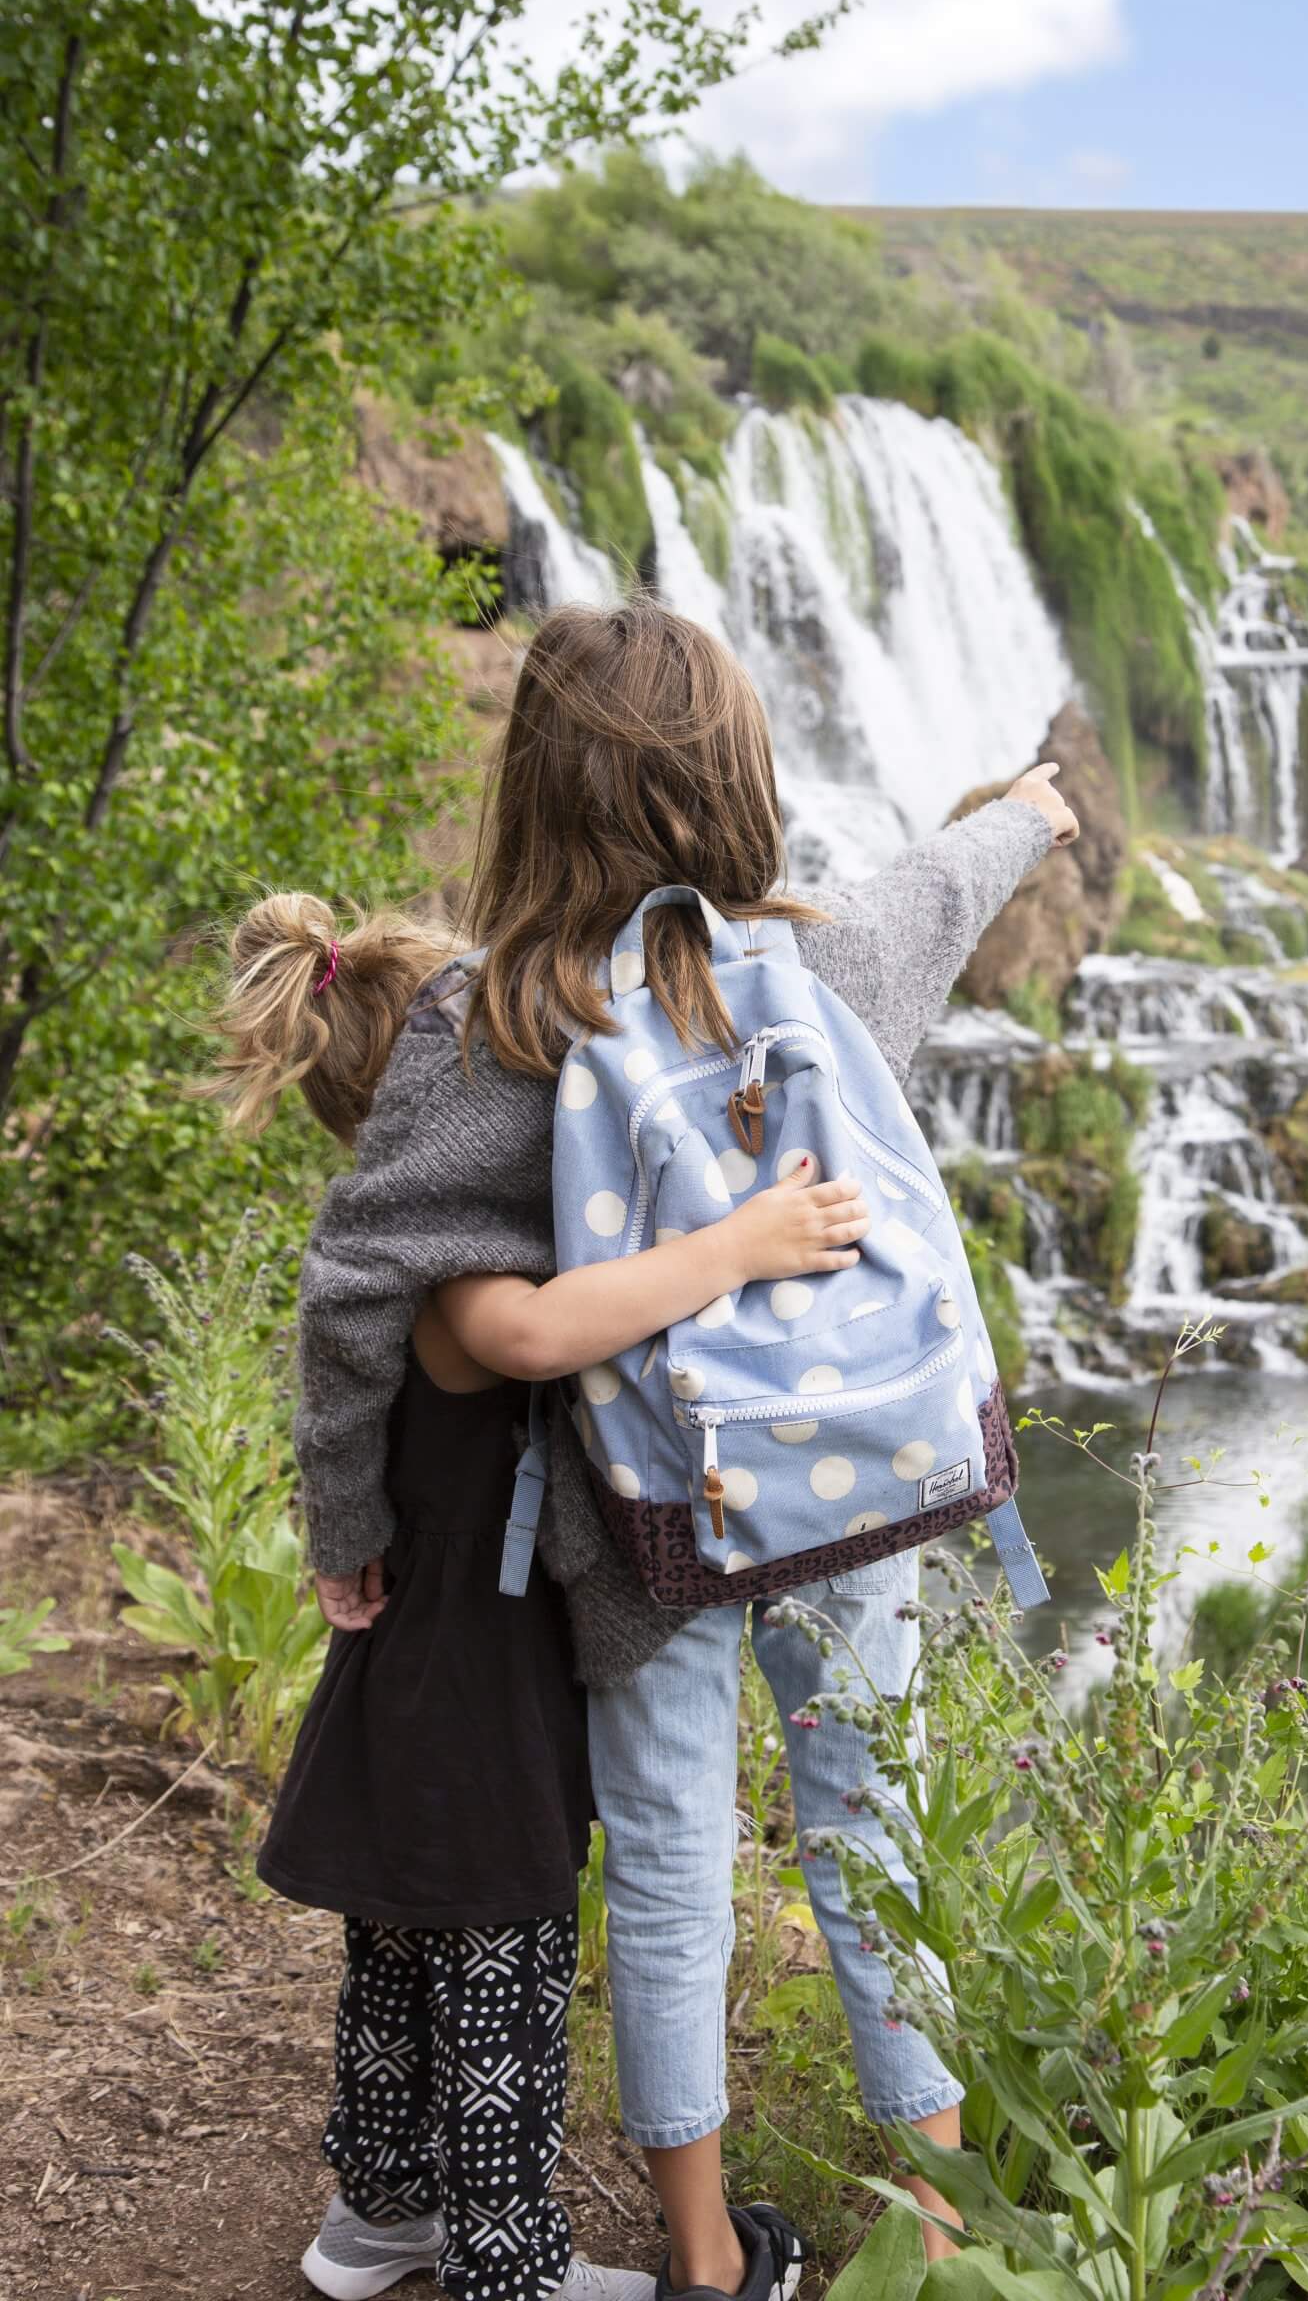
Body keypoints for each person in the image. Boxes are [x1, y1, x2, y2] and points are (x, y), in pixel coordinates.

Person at [291, 601, 1080, 2301]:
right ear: (741, 782)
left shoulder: (491, 1020)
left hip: (651, 1532)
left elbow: (357, 1282)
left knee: (666, 1862)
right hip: (857, 1492)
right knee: (877, 1833)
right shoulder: (826, 956)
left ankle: (707, 2258)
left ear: (528, 795)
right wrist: (1031, 811)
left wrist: (344, 1517)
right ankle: (937, 2227)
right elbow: (942, 883)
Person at [212, 891, 869, 2301]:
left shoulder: (405, 1259)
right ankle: (508, 2261)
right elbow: (536, 1333)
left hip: (408, 1674)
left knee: (397, 1955)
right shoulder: (459, 1280)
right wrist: (738, 1247)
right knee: (502, 1957)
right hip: (477, 1693)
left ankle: (376, 2214)